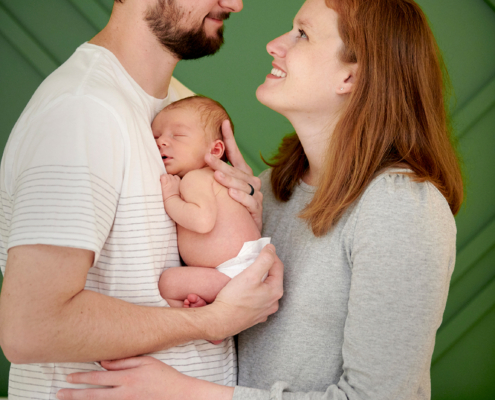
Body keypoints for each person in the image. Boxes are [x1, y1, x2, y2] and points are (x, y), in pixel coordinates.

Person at [57, 0, 464, 399]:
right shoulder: (268, 190)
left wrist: (181, 392)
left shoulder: (401, 206)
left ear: (351, 78)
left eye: (302, 34)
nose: (274, 44)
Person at [0, 0, 283, 398]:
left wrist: (240, 216)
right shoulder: (83, 111)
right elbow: (31, 327)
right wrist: (212, 322)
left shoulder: (175, 112)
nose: (235, 3)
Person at [155, 96, 269, 309]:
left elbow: (202, 221)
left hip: (233, 273)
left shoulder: (196, 178)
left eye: (177, 135)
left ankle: (209, 318)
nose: (161, 141)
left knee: (168, 283)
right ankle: (206, 307)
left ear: (215, 151)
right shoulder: (215, 179)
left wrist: (170, 197)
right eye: (156, 136)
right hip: (239, 269)